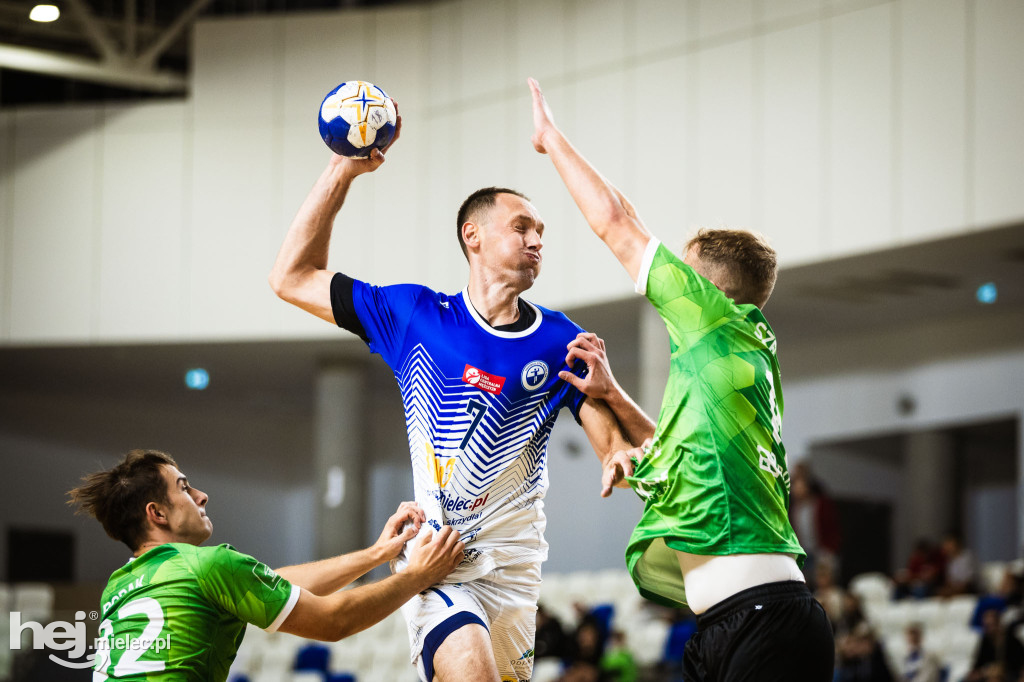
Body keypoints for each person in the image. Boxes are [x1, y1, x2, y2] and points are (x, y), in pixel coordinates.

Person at [269, 115, 651, 682]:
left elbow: (589, 405)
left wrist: (612, 451)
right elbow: (292, 276)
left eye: (542, 230)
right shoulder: (414, 316)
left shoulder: (557, 336)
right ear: (472, 235)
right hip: (439, 559)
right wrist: (341, 170)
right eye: (522, 226)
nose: (536, 239)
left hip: (517, 567)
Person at [528, 77, 835, 680]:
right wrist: (612, 395)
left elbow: (618, 223)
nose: (667, 282)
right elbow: (674, 451)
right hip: (732, 625)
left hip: (764, 621)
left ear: (708, 291)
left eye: (683, 276)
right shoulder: (732, 356)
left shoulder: (714, 324)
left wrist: (551, 140)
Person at [67, 449, 464, 681]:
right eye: (184, 488)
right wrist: (418, 575)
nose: (202, 496)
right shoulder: (209, 565)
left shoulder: (120, 586)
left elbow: (271, 583)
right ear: (157, 514)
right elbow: (333, 621)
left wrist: (377, 554)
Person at [789, 461, 843, 587]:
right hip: (803, 552)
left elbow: (833, 528)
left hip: (823, 553)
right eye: (794, 486)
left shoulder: (821, 504)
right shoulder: (793, 508)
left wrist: (829, 550)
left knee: (824, 585)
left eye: (799, 485)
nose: (796, 489)